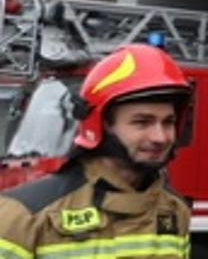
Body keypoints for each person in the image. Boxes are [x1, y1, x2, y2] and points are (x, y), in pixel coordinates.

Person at [0, 45, 193, 258]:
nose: (161, 137)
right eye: (142, 122)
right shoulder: (23, 214)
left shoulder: (175, 211)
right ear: (102, 124)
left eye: (168, 122)